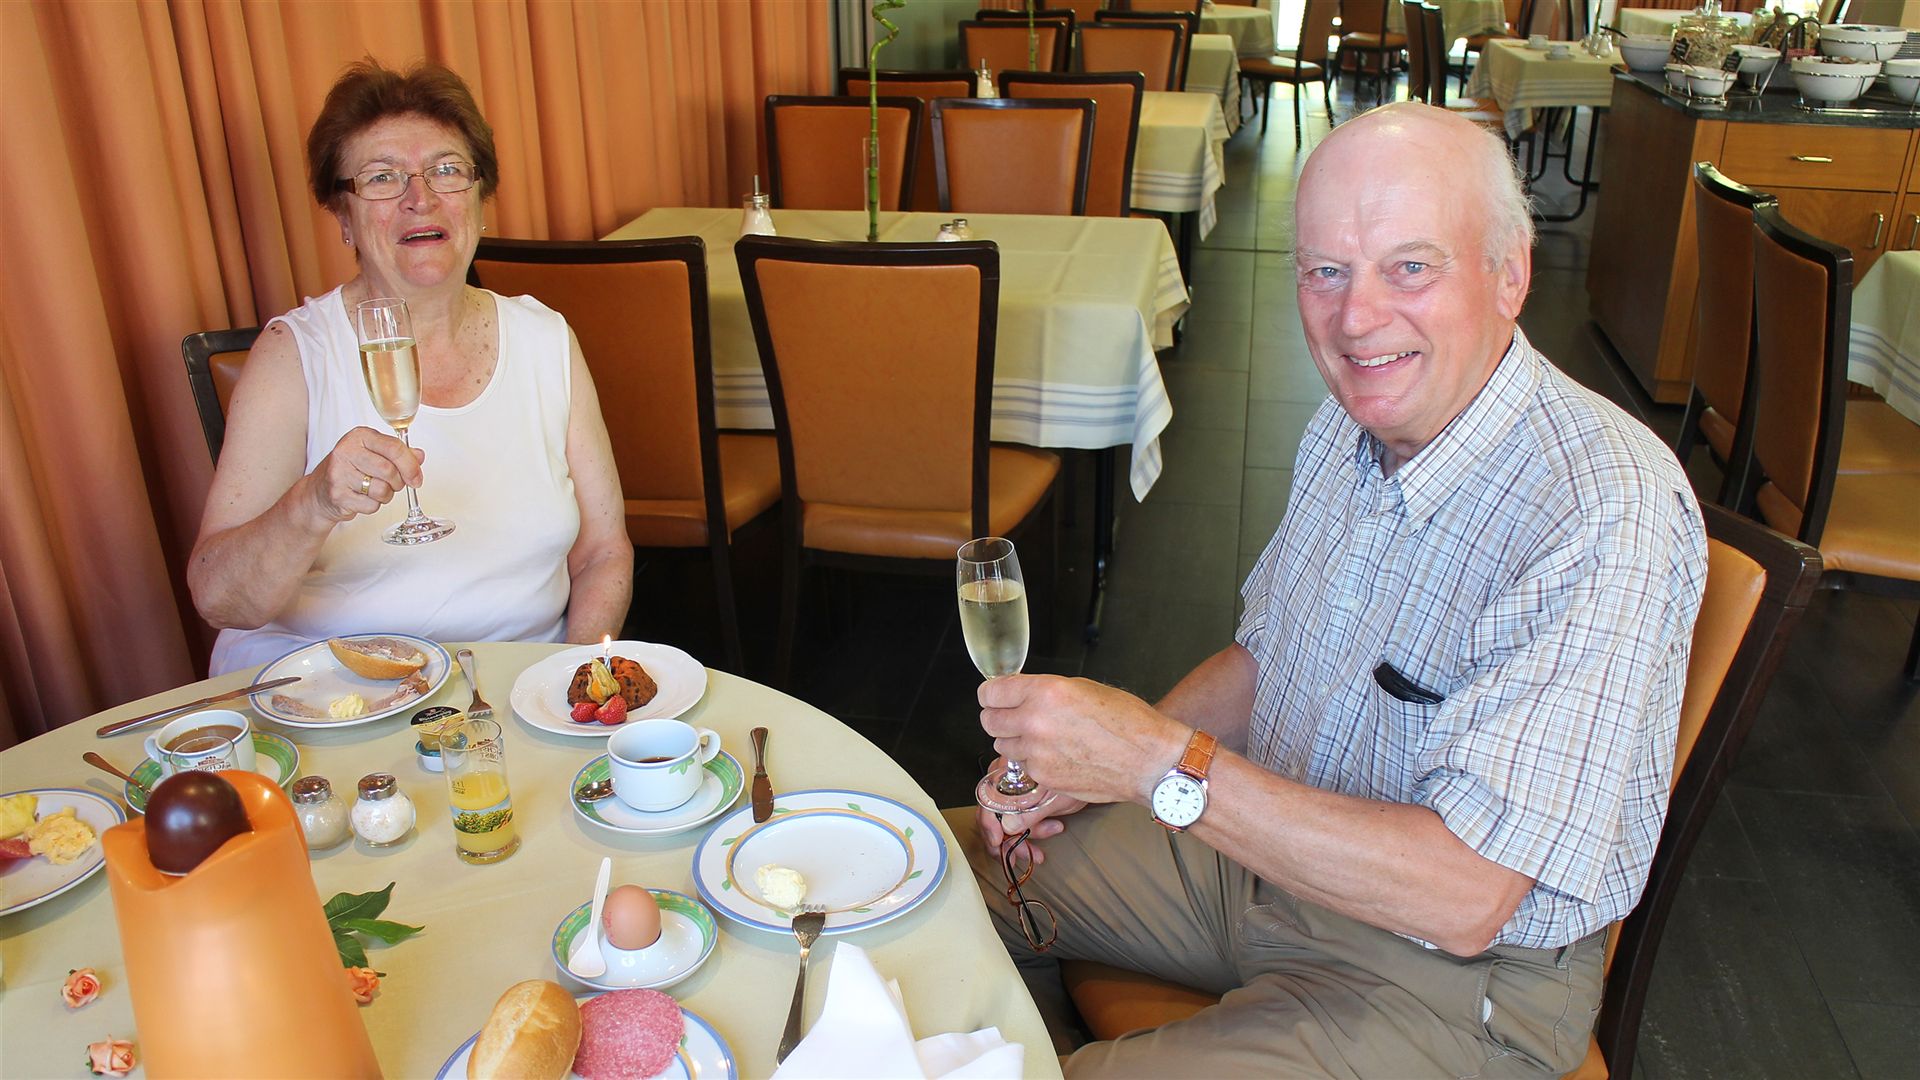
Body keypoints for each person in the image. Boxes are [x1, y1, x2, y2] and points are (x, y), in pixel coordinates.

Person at [952, 103, 1708, 1077]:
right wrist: (1091, 773)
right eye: (1326, 272)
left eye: (1411, 266)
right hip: (1271, 854)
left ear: (1509, 274)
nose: (1356, 319)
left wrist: (1149, 760)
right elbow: (1265, 659)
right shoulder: (1349, 424)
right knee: (927, 873)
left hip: (1454, 975)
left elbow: (1466, 895)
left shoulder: (1602, 505)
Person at [189, 60, 630, 675]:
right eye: (382, 178)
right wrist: (312, 504)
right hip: (331, 695)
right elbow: (219, 598)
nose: (420, 199)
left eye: (447, 170)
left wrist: (568, 678)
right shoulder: (294, 354)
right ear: (343, 217)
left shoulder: (544, 338)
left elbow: (603, 553)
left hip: (511, 689)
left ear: (479, 198)